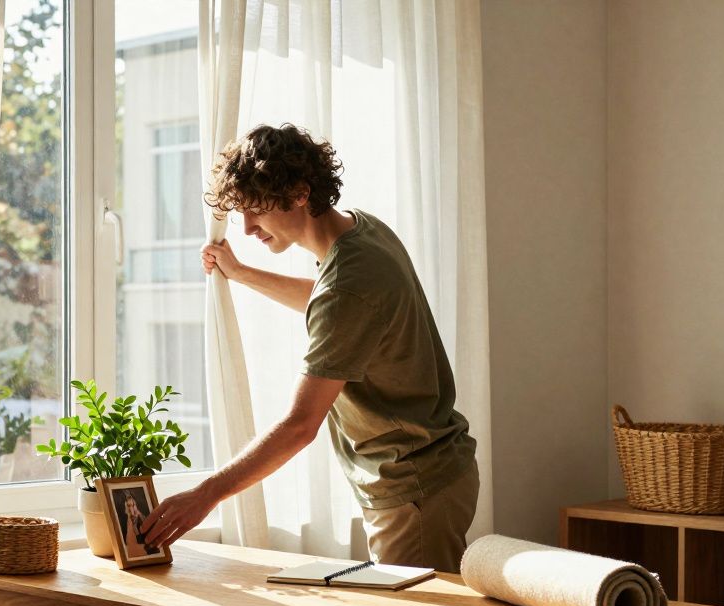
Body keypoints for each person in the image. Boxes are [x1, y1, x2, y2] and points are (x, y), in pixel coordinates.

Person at [140, 123, 478, 573]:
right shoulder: (362, 232)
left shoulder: (348, 283)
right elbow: (332, 305)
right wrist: (241, 274)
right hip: (432, 474)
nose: (246, 228)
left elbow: (301, 425)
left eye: (255, 210)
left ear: (299, 194)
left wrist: (206, 495)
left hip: (414, 486)